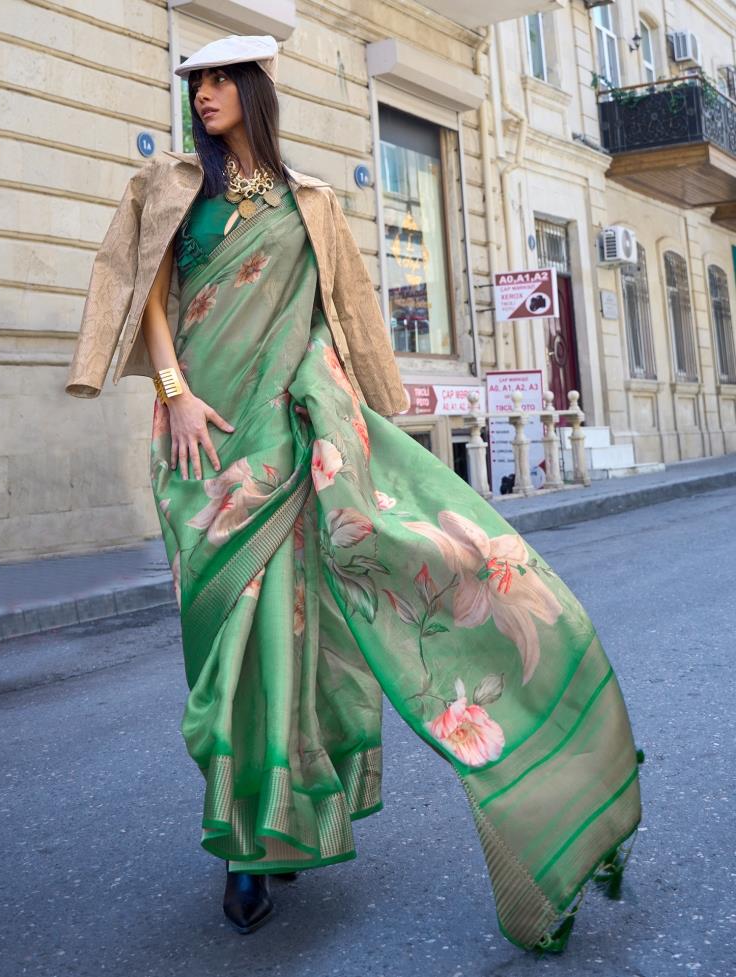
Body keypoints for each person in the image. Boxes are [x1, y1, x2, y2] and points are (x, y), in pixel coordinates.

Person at [65, 34, 643, 952]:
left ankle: (256, 841)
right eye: (196, 80)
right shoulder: (172, 186)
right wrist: (173, 393)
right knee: (220, 648)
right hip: (200, 445)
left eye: (220, 79)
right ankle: (264, 815)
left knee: (285, 639)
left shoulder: (314, 203)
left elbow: (332, 320)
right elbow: (150, 300)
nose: (204, 93)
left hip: (285, 439)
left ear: (255, 90)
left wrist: (344, 406)